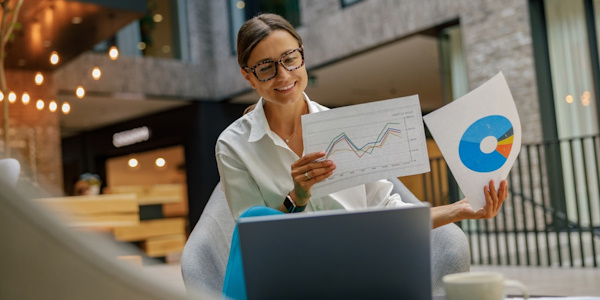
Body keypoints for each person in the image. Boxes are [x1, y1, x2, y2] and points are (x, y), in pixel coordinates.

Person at [215, 13, 508, 299]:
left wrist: (460, 209)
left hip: (363, 271)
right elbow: (254, 246)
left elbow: (388, 212)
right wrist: (297, 197)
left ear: (302, 56)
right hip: (292, 281)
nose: (283, 75)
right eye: (266, 68)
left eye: (290, 58)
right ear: (248, 76)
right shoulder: (233, 145)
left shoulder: (347, 127)